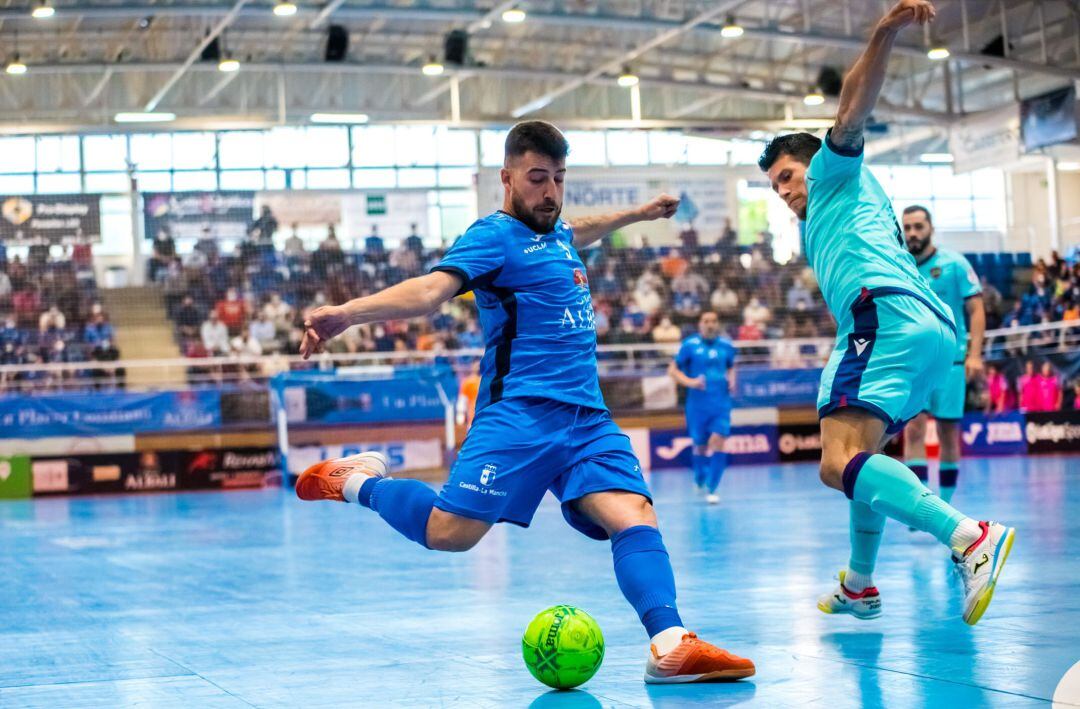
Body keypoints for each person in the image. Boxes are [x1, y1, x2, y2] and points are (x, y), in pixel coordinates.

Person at [294, 120, 755, 683]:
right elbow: (431, 291)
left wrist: (636, 214)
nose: (551, 192)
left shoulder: (556, 230)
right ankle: (357, 481)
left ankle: (670, 643)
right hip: (518, 413)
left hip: (586, 417)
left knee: (634, 515)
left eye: (559, 179)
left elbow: (578, 228)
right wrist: (348, 313)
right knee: (449, 534)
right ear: (507, 178)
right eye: (538, 179)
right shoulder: (491, 238)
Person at [757, 0, 1013, 626]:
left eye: (789, 175)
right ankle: (860, 584)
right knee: (860, 457)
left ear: (811, 160)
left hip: (885, 321)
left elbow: (851, 109)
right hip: (925, 331)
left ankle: (967, 536)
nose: (788, 191)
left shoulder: (835, 173)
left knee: (836, 463)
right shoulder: (825, 216)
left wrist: (882, 32)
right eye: (777, 187)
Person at [900, 205, 985, 508]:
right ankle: (921, 504)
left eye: (918, 226)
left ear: (931, 228)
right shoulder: (900, 266)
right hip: (915, 364)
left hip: (952, 361)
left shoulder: (955, 264)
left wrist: (975, 354)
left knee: (949, 432)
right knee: (913, 428)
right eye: (907, 227)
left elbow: (976, 309)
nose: (912, 233)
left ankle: (946, 502)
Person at [668, 311, 736, 504]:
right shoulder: (689, 345)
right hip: (697, 405)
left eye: (714, 321)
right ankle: (699, 477)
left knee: (718, 441)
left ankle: (713, 489)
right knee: (700, 445)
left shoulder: (726, 345)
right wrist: (690, 382)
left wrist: (732, 379)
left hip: (721, 403)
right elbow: (672, 370)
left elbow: (731, 367)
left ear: (718, 324)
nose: (710, 324)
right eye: (706, 321)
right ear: (700, 325)